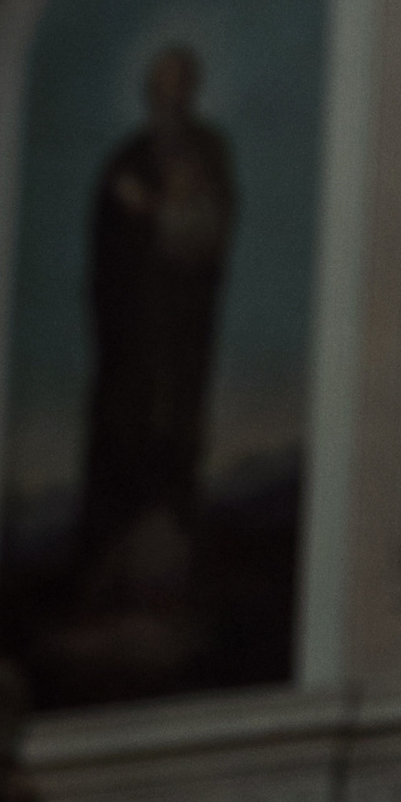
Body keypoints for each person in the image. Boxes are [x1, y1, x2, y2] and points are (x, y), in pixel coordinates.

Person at [75, 43, 239, 591]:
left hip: (182, 325)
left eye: (179, 86)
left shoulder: (207, 152)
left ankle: (171, 548)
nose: (170, 97)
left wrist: (166, 213)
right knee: (125, 425)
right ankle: (111, 557)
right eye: (161, 86)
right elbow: (108, 243)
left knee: (174, 425)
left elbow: (210, 228)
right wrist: (136, 218)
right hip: (131, 329)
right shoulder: (128, 159)